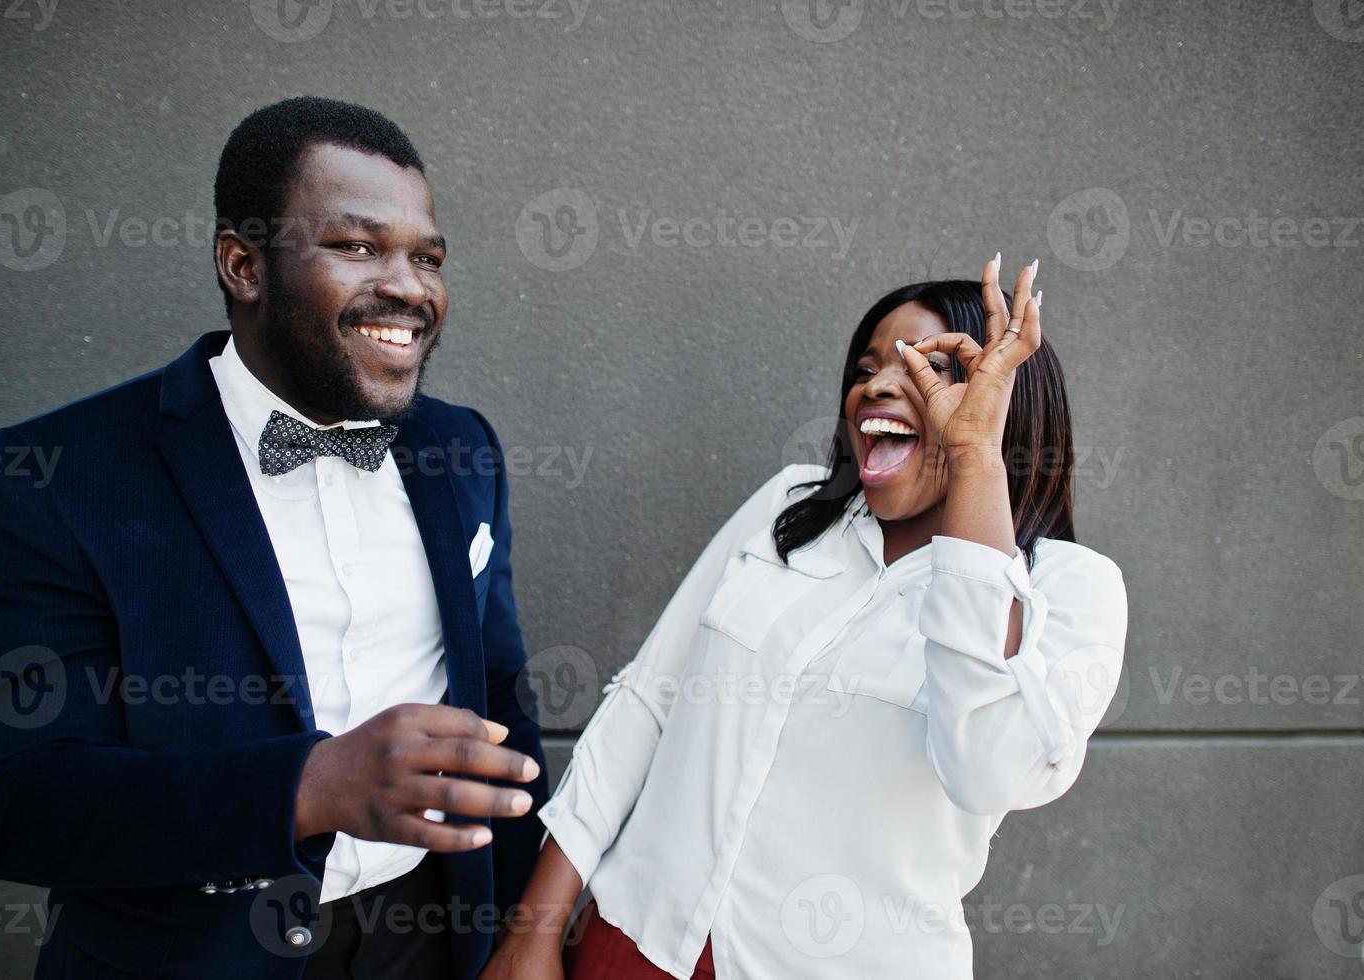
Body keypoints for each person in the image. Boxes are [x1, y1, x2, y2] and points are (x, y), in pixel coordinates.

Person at [0, 96, 547, 980]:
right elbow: (11, 803)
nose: (411, 287)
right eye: (357, 246)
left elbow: (499, 703)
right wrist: (311, 785)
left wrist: (522, 929)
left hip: (431, 942)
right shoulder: (60, 470)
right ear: (243, 264)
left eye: (426, 256)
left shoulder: (460, 448)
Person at [483, 258, 1127, 979]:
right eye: (867, 366)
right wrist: (532, 931)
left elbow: (984, 771)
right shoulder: (791, 506)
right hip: (633, 942)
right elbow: (648, 701)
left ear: (1001, 397)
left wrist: (974, 455)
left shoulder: (1071, 589)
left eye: (924, 365)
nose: (877, 385)